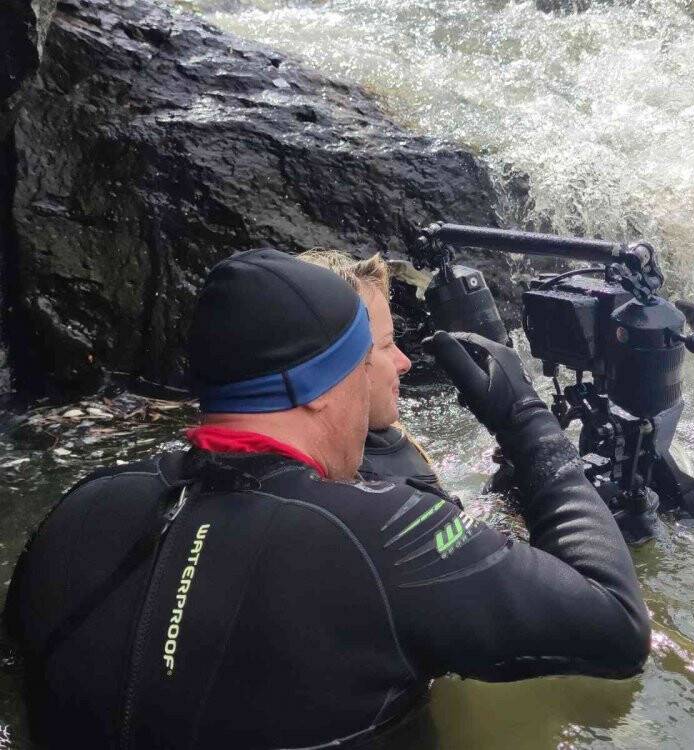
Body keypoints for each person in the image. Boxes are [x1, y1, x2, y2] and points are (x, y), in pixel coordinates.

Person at [3, 248, 650, 749]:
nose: (388, 371)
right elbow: (615, 627)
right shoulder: (384, 540)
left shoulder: (80, 508)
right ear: (317, 387)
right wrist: (527, 423)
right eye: (368, 361)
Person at [298, 249, 441, 490]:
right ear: (330, 364)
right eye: (385, 344)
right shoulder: (363, 492)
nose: (405, 362)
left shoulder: (386, 434)